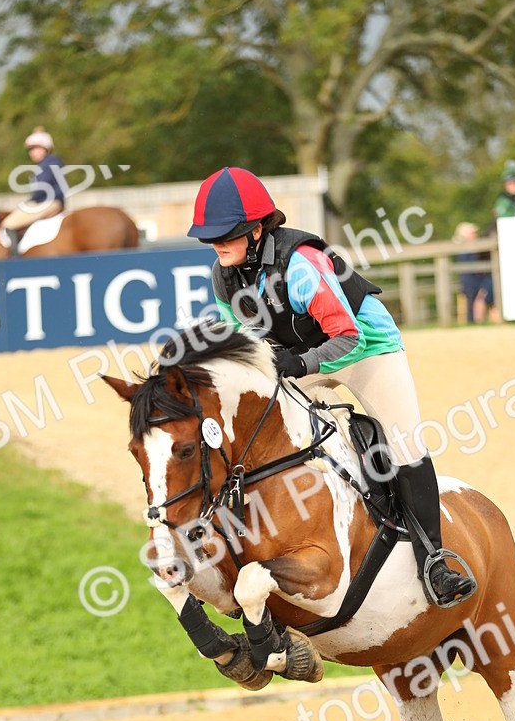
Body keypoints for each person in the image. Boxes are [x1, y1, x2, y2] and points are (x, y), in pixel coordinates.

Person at [187, 166, 476, 607]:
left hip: (365, 350)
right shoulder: (224, 276)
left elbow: (347, 335)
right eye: (212, 235)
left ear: (259, 227)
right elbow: (241, 345)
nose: (217, 243)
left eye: (228, 233)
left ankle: (435, 559)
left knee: (403, 444)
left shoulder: (301, 265)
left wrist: (299, 362)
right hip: (300, 357)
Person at [1, 128, 66, 251]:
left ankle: (15, 259)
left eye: (36, 148)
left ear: (45, 149)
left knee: (8, 224)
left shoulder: (48, 164)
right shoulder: (48, 163)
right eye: (31, 149)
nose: (32, 152)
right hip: (49, 201)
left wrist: (29, 202)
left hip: (48, 203)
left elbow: (41, 190)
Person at [453, 222, 493, 324]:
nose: (475, 235)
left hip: (476, 281)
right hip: (472, 283)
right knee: (472, 303)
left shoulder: (469, 247)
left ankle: (476, 321)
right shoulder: (465, 248)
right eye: (473, 233)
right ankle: (473, 322)